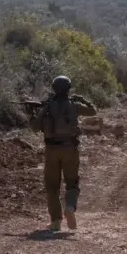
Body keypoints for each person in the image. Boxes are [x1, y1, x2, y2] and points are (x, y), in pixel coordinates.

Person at [29, 75, 98, 232]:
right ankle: (70, 207)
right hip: (70, 149)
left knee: (52, 187)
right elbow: (93, 111)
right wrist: (82, 99)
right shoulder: (74, 105)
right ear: (68, 89)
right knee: (72, 183)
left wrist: (32, 113)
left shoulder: (47, 106)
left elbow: (34, 127)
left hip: (51, 150)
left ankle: (55, 221)